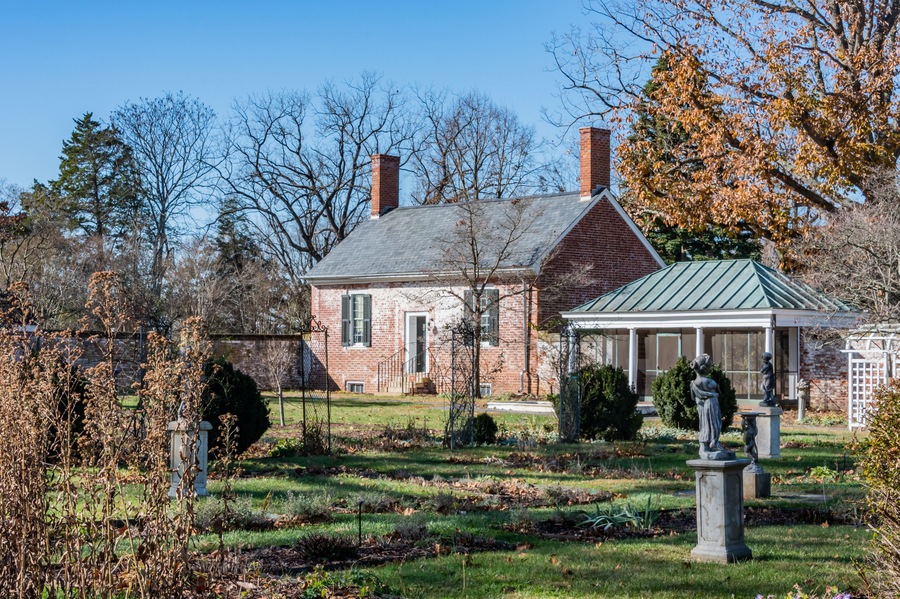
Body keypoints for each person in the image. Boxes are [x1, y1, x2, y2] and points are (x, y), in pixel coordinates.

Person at [691, 353, 733, 460]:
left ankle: (706, 444)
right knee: (715, 423)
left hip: (702, 406)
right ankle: (714, 442)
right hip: (712, 404)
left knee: (705, 424)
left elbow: (694, 398)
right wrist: (713, 394)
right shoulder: (709, 382)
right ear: (705, 369)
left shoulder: (694, 383)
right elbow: (719, 392)